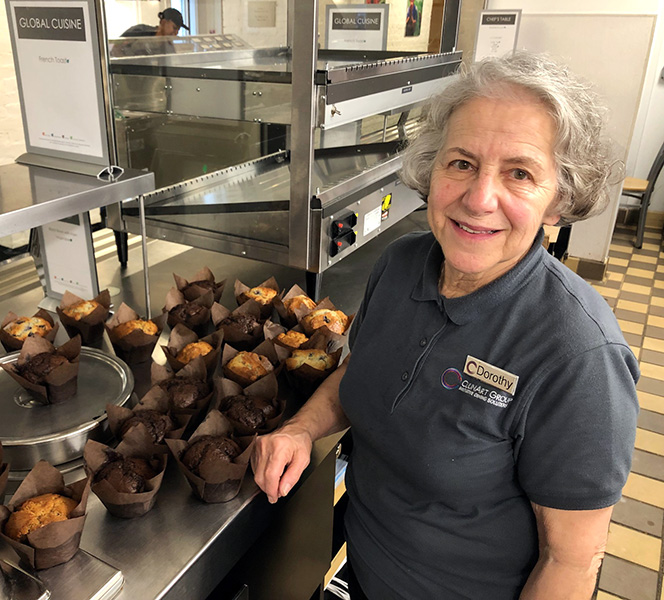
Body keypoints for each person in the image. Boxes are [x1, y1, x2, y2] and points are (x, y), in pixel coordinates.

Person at [252, 52, 639, 600]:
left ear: (559, 201)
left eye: (520, 173)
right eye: (461, 162)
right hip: (360, 572)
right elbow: (363, 372)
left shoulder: (580, 356)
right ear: (431, 168)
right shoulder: (401, 263)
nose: (479, 198)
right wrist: (300, 429)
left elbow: (571, 563)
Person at [119, 8, 189, 38]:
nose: (176, 33)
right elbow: (116, 47)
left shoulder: (168, 45)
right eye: (174, 28)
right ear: (163, 22)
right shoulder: (140, 31)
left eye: (178, 30)